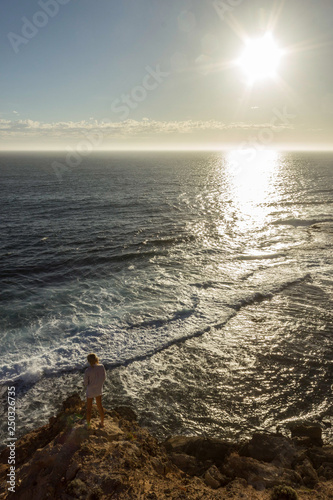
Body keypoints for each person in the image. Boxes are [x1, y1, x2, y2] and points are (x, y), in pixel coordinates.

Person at [84, 353, 106, 428]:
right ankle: (102, 423)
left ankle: (88, 425)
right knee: (100, 406)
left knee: (89, 409)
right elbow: (104, 378)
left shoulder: (87, 370)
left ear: (89, 361)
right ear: (96, 359)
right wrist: (98, 384)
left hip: (90, 390)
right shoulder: (102, 367)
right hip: (98, 389)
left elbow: (85, 383)